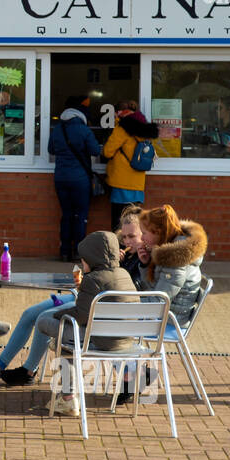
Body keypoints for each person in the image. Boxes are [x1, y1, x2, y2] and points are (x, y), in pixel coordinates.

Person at [29, 230, 139, 416]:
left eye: (84, 259)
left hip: (101, 341)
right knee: (65, 339)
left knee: (45, 320)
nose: (82, 263)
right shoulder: (124, 275)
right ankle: (67, 397)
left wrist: (60, 313)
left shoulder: (93, 280)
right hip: (126, 341)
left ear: (93, 258)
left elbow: (80, 316)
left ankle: (68, 399)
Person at [136, 205, 208, 329]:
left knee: (113, 317)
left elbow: (159, 302)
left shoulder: (175, 261)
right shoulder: (167, 253)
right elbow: (152, 289)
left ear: (158, 232)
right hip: (164, 314)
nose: (141, 238)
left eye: (144, 233)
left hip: (170, 321)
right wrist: (146, 264)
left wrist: (127, 304)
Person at [49, 95, 101, 261]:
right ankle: (79, 251)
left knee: (66, 214)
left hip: (60, 178)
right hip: (80, 179)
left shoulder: (58, 129)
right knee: (80, 215)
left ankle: (64, 251)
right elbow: (95, 151)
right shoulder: (84, 130)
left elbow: (51, 149)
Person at [102, 99, 159, 231]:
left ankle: (119, 250)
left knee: (119, 223)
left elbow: (107, 151)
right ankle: (132, 250)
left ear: (120, 113)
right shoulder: (145, 130)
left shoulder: (122, 129)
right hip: (138, 183)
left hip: (121, 182)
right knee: (133, 222)